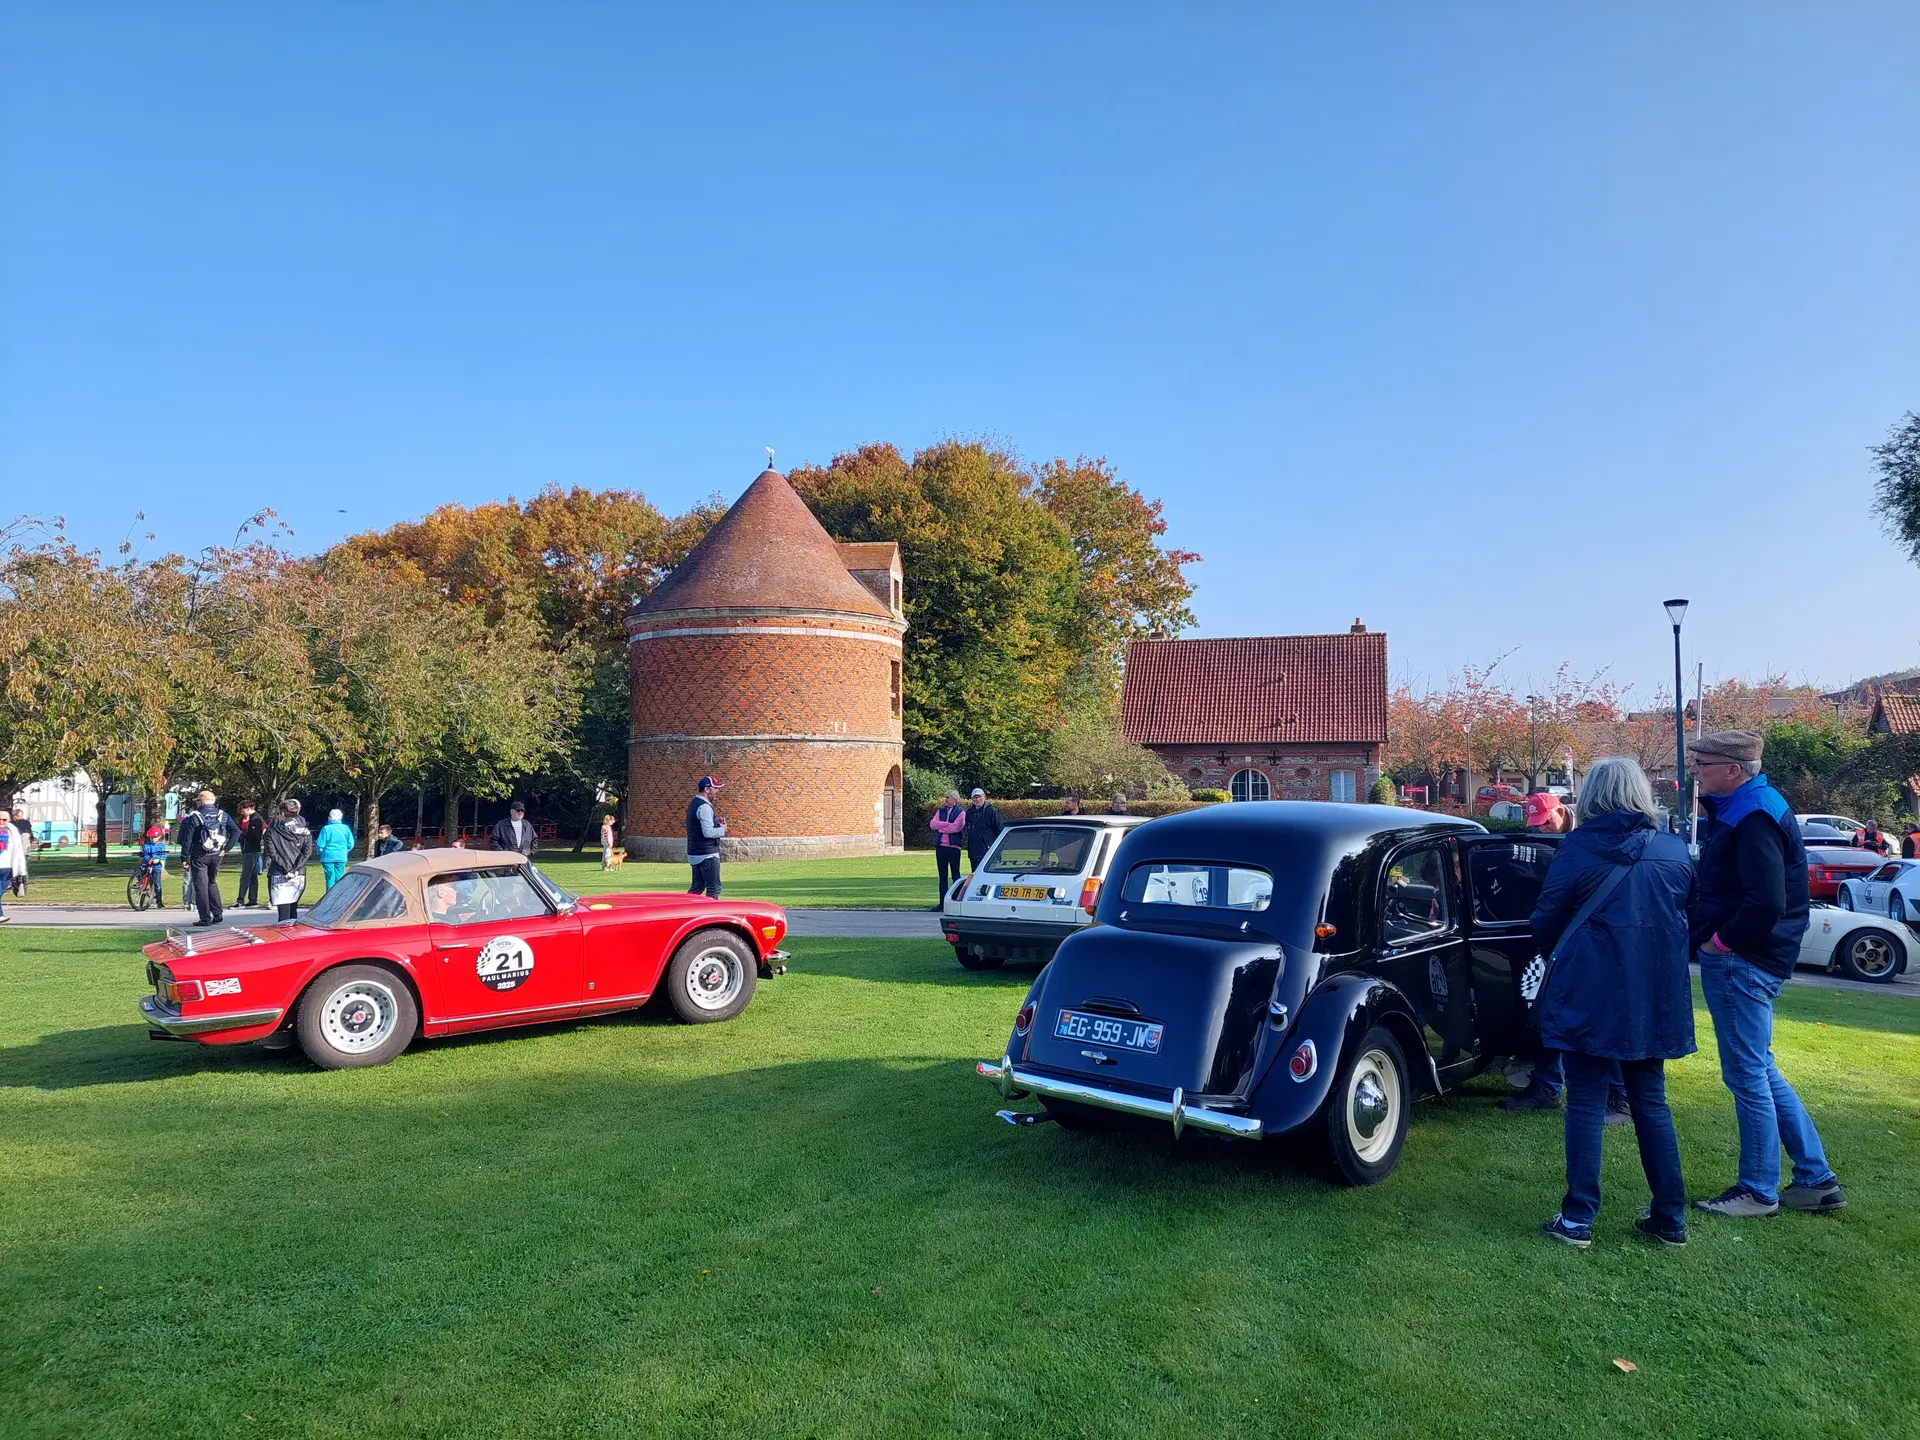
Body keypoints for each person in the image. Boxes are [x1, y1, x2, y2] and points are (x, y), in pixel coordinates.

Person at [1529, 757, 1696, 1248]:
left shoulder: (1578, 847)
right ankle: (1670, 1216)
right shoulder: (1673, 850)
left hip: (1590, 988)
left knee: (1584, 1098)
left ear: (1592, 796)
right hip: (1655, 992)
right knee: (1650, 1098)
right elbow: (1691, 912)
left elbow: (1545, 919)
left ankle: (1578, 1218)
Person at [1688, 730, 1845, 1217]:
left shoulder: (1752, 815)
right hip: (1754, 956)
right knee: (1760, 1067)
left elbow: (1767, 902)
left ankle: (1758, 1190)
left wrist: (1719, 943)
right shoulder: (1752, 805)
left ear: (1734, 770)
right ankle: (1816, 1179)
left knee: (1747, 1074)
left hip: (1744, 959)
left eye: (1702, 762)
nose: (1694, 769)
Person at [1507, 788, 1632, 1124]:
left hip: (1592, 943)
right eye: (1535, 823)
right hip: (1561, 942)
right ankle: (1546, 1087)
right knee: (1553, 1014)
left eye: (1545, 821)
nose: (1541, 828)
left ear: (1561, 811)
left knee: (1602, 1019)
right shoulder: (1544, 843)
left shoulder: (1589, 838)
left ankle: (1619, 1097)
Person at [178, 789, 236, 927]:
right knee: (212, 883)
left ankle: (205, 918)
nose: (197, 804)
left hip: (200, 854)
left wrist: (184, 858)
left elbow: (188, 840)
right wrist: (226, 849)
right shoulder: (222, 815)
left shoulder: (195, 817)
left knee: (201, 886)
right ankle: (218, 914)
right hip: (216, 854)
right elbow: (236, 831)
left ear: (202, 801)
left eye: (198, 801)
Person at [264, 799, 314, 922]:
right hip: (299, 872)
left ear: (283, 812)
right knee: (293, 908)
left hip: (278, 871)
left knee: (283, 912)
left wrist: (287, 868)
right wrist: (295, 868)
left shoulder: (272, 830)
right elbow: (307, 852)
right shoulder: (305, 831)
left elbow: (272, 852)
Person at [686, 775, 726, 898]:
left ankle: (686, 911)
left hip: (694, 852)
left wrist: (716, 824)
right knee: (714, 889)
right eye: (715, 788)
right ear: (707, 789)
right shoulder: (704, 807)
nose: (717, 791)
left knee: (697, 888)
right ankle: (711, 915)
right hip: (707, 854)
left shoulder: (693, 804)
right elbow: (708, 832)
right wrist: (722, 829)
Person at [930, 789, 967, 908]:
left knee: (955, 875)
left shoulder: (961, 812)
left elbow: (956, 828)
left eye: (948, 797)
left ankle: (956, 901)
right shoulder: (940, 811)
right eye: (946, 797)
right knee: (942, 876)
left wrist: (941, 826)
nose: (945, 799)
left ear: (954, 800)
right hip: (941, 847)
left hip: (953, 847)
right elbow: (932, 824)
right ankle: (942, 902)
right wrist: (945, 824)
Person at [233, 801, 267, 907]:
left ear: (248, 809)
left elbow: (255, 836)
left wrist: (243, 836)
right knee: (253, 876)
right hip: (250, 849)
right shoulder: (252, 819)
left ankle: (240, 899)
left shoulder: (256, 819)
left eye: (243, 810)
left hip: (251, 850)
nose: (241, 812)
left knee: (245, 875)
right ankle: (252, 899)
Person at [314, 808, 354, 892]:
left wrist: (319, 852)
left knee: (329, 878)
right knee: (340, 876)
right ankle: (339, 896)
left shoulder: (326, 829)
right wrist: (345, 851)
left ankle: (329, 897)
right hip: (341, 856)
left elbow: (320, 844)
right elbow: (350, 843)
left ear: (329, 817)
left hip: (328, 856)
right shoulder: (345, 828)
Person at [964, 788, 1002, 874]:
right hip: (973, 851)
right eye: (975, 797)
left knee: (990, 876)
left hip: (988, 851)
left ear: (984, 796)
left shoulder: (992, 811)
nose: (977, 799)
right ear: (972, 799)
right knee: (975, 877)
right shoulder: (969, 812)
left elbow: (999, 829)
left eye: (979, 796)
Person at [138, 824, 169, 906]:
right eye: (151, 837)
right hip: (146, 865)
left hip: (156, 867)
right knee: (142, 876)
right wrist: (148, 858)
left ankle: (159, 901)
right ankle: (141, 898)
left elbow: (163, 855)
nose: (152, 839)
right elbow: (145, 854)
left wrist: (158, 859)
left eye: (154, 837)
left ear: (159, 837)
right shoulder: (146, 845)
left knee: (157, 884)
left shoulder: (161, 846)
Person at [6, 809, 28, 898]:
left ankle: (17, 885)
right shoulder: (27, 824)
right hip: (24, 850)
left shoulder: (13, 825)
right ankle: (22, 885)